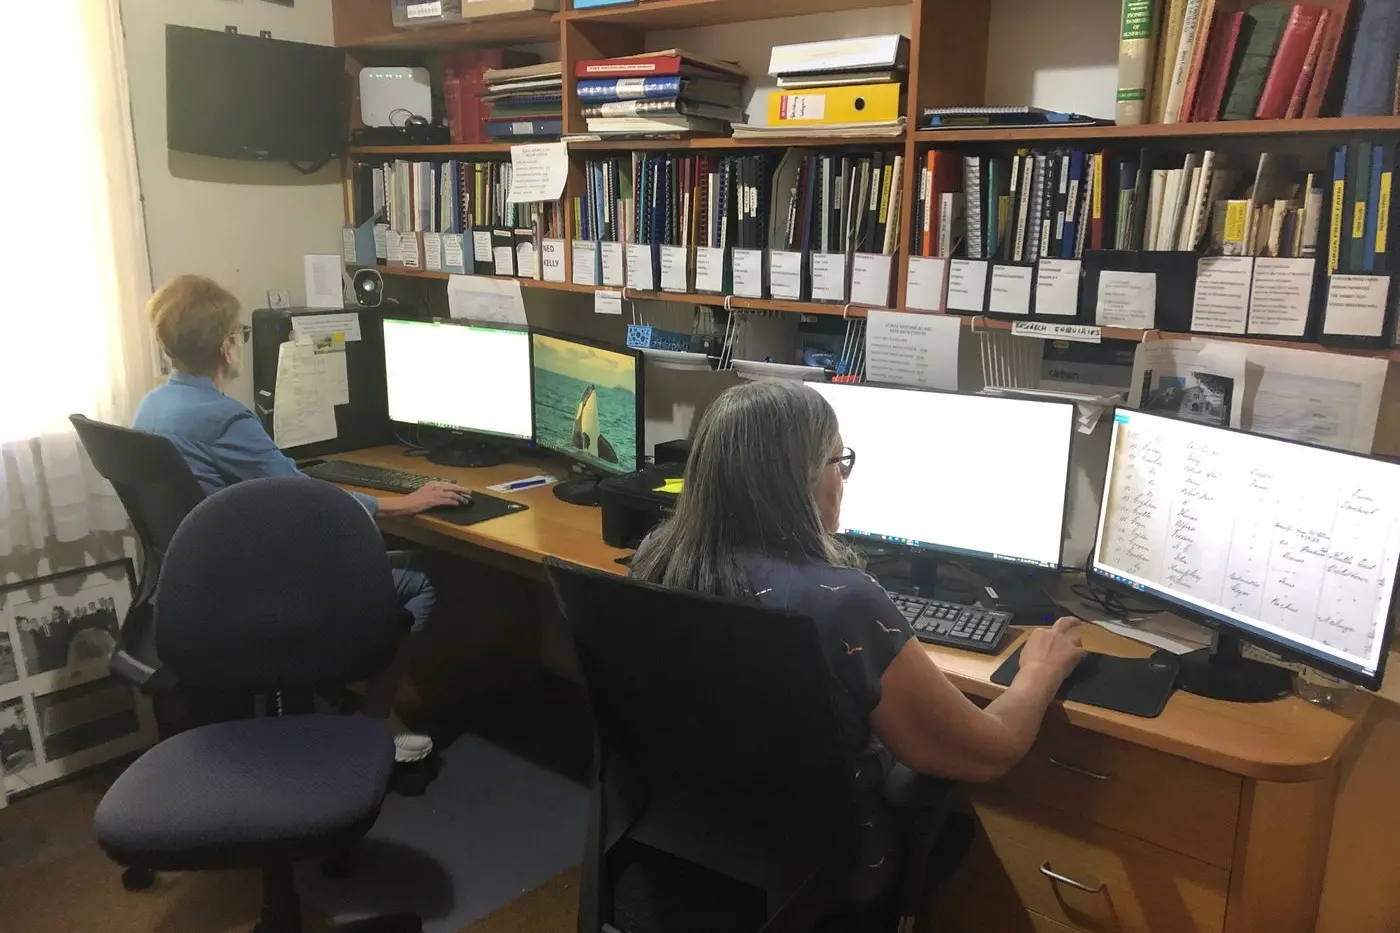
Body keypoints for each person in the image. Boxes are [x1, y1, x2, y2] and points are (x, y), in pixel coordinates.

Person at [630, 381, 1087, 897]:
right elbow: (990, 752)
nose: (842, 479)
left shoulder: (657, 557)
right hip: (824, 864)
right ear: (797, 481)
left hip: (681, 837)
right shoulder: (841, 602)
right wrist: (1040, 671)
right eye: (838, 462)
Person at [132, 274, 467, 764]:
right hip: (254, 587)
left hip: (200, 588)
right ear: (228, 347)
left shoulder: (153, 407)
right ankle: (377, 723)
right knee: (419, 579)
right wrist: (406, 502)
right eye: (241, 334)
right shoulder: (224, 419)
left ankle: (337, 704)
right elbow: (313, 502)